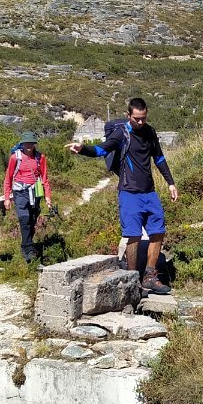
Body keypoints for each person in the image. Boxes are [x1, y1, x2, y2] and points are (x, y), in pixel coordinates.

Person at [66, 97, 178, 295]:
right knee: (133, 235)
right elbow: (101, 149)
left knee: (158, 231)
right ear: (128, 115)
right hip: (129, 192)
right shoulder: (121, 133)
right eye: (136, 119)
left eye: (143, 118)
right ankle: (133, 280)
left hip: (149, 191)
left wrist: (170, 182)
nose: (140, 122)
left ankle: (150, 276)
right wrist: (83, 149)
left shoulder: (150, 132)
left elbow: (159, 158)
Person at [3, 131, 52, 263]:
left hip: (35, 192)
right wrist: (7, 197)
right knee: (24, 219)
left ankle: (25, 246)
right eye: (26, 143)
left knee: (32, 220)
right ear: (22, 144)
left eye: (31, 143)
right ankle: (29, 251)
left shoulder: (40, 157)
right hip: (20, 193)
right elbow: (8, 178)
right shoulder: (15, 158)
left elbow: (44, 178)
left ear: (34, 143)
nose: (29, 145)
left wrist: (47, 196)